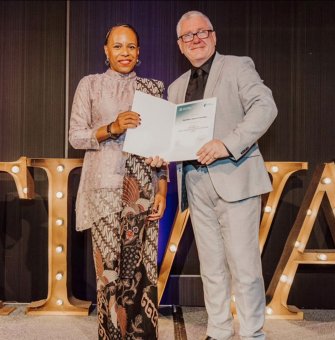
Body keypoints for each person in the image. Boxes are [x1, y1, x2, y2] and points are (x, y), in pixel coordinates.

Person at [169, 10, 278, 340]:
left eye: (202, 32)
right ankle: (217, 331)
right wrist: (164, 150)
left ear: (214, 37)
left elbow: (265, 107)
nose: (196, 38)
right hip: (194, 181)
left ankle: (252, 334)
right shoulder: (175, 88)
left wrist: (226, 144)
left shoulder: (237, 66)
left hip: (235, 176)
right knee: (211, 267)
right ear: (180, 46)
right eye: (188, 36)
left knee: (245, 268)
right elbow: (174, 138)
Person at [69, 24, 167, 340]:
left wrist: (162, 188)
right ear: (106, 50)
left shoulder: (153, 88)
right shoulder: (91, 85)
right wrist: (112, 127)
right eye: (118, 46)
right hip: (103, 189)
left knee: (142, 273)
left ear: (139, 53)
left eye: (131, 47)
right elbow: (75, 136)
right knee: (109, 274)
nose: (124, 53)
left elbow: (163, 147)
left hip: (142, 191)